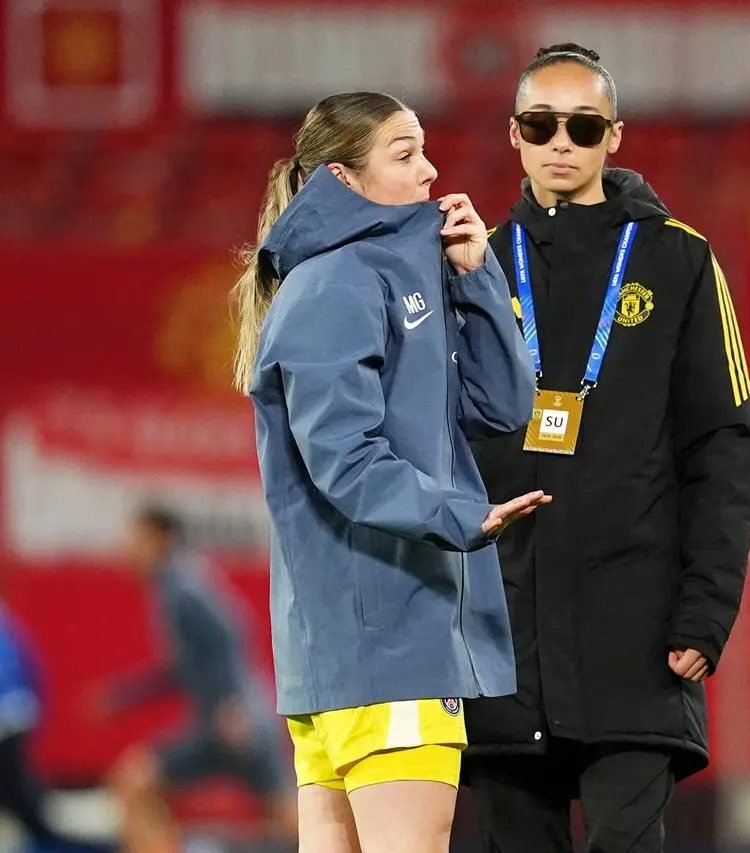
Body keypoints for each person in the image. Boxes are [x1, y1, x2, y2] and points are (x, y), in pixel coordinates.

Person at [461, 44, 750, 853]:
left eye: (584, 125)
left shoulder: (678, 258)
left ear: (615, 137)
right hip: (503, 640)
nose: (563, 141)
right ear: (514, 135)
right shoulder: (475, 264)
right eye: (542, 123)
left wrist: (707, 609)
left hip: (636, 637)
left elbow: (726, 445)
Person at [231, 91, 548, 853]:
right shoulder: (340, 282)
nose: (430, 172)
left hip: (350, 650)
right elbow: (345, 457)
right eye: (405, 156)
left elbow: (505, 406)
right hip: (388, 640)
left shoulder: (384, 275)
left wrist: (476, 277)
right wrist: (461, 515)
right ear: (342, 179)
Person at [98, 505, 294, 853]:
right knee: (135, 784)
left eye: (135, 537)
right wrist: (123, 699)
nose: (126, 546)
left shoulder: (184, 584)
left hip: (238, 723)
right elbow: (180, 670)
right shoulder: (169, 586)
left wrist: (233, 704)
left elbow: (232, 632)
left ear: (160, 538)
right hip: (218, 725)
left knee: (287, 813)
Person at [0, 601, 81, 851]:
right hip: (20, 714)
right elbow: (32, 668)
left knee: (27, 811)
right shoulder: (6, 618)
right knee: (25, 807)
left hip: (9, 718)